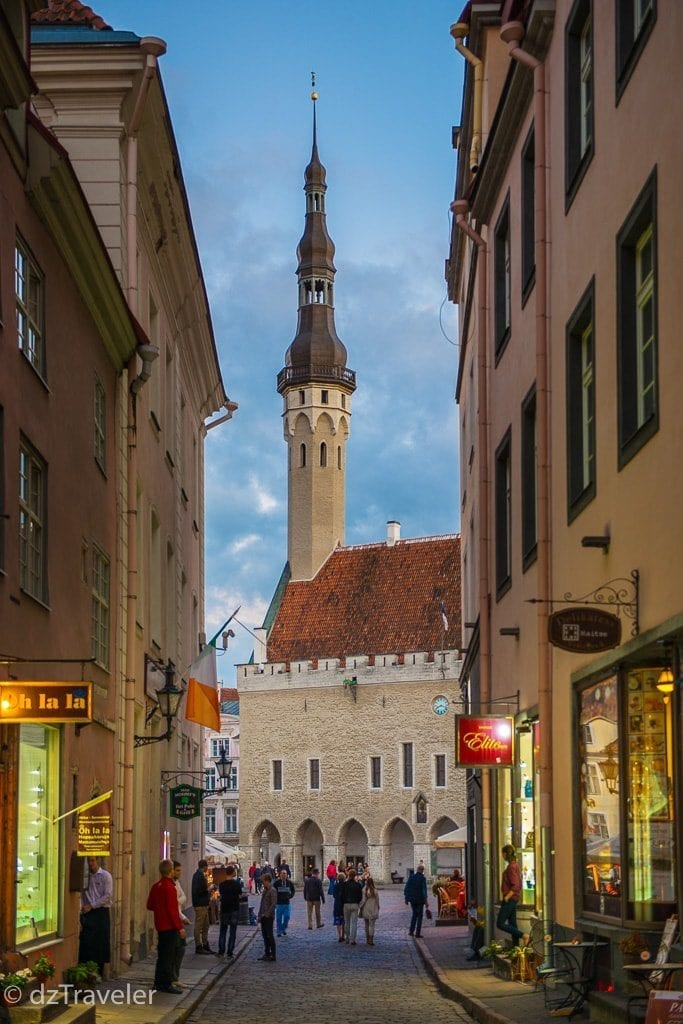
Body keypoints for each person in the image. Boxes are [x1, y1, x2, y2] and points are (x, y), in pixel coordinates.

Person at [146, 859, 186, 994]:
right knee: (168, 957)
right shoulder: (169, 888)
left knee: (162, 956)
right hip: (169, 927)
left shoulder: (156, 886)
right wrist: (180, 927)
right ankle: (166, 984)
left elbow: (150, 905)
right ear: (170, 871)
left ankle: (158, 982)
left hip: (160, 926)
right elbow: (172, 911)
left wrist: (159, 909)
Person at [78, 856, 113, 977]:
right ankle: (87, 970)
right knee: (87, 941)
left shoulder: (105, 876)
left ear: (97, 861)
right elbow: (81, 894)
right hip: (87, 912)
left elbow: (107, 896)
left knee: (101, 942)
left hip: (101, 912)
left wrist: (92, 905)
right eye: (88, 861)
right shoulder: (85, 877)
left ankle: (98, 971)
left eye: (92, 861)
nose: (90, 864)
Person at [497, 844, 525, 945]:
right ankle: (516, 949)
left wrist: (507, 897)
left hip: (510, 899)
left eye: (502, 853)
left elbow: (516, 884)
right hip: (513, 898)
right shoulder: (515, 865)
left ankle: (524, 935)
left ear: (505, 854)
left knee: (500, 923)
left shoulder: (511, 867)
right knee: (512, 924)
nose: (502, 856)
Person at [172, 860, 191, 986]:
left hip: (179, 918)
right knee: (176, 951)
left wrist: (178, 901)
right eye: (177, 870)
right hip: (174, 922)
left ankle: (174, 977)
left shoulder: (176, 883)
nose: (180, 873)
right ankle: (172, 978)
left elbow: (183, 898)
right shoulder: (169, 885)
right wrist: (182, 919)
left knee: (180, 950)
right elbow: (173, 906)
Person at [218, 864, 242, 958]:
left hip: (224, 909)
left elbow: (221, 895)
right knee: (232, 931)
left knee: (223, 931)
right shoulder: (237, 884)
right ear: (233, 873)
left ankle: (221, 951)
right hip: (234, 909)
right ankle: (230, 952)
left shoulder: (222, 885)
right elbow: (240, 896)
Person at [191, 858, 212, 954]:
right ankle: (198, 946)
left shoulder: (199, 875)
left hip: (203, 903)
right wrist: (208, 889)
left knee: (206, 925)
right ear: (204, 867)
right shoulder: (198, 876)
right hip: (200, 904)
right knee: (199, 925)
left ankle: (205, 944)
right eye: (207, 867)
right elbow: (199, 890)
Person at [404, 863, 429, 938]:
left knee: (414, 914)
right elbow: (424, 891)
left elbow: (406, 888)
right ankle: (417, 933)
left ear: (417, 870)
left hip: (412, 900)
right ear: (422, 871)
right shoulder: (422, 879)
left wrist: (406, 898)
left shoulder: (411, 877)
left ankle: (411, 931)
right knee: (420, 916)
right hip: (420, 900)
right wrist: (426, 901)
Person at [340, 867, 363, 945]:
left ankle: (347, 939)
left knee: (347, 922)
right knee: (354, 923)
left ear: (348, 875)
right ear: (355, 876)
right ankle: (352, 939)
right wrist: (358, 902)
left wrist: (343, 902)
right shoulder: (358, 885)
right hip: (355, 904)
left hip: (346, 904)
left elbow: (341, 895)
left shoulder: (344, 884)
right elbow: (360, 896)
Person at [257, 873, 277, 962]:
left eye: (263, 881)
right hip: (263, 916)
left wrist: (267, 914)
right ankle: (267, 953)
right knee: (265, 936)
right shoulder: (265, 890)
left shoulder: (272, 890)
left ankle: (273, 954)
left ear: (267, 881)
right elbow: (262, 904)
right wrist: (259, 915)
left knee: (270, 935)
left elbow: (273, 904)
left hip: (269, 916)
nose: (262, 883)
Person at [273, 868, 295, 937]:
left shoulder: (289, 883)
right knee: (279, 919)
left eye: (285, 873)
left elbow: (293, 890)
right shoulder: (276, 883)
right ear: (280, 875)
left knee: (287, 917)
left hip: (286, 903)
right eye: (282, 873)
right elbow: (273, 891)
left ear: (287, 875)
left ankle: (283, 928)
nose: (284, 875)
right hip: (279, 903)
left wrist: (290, 896)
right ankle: (279, 932)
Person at [359, 877, 380, 946]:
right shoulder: (375, 890)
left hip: (366, 908)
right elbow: (377, 900)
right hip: (373, 908)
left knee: (366, 925)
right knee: (372, 925)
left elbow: (363, 900)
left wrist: (360, 906)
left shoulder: (364, 890)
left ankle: (367, 939)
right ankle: (371, 939)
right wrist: (378, 907)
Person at [331, 871, 346, 942]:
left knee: (338, 921)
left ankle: (339, 936)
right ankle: (343, 935)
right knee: (344, 921)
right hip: (344, 904)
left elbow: (333, 895)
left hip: (337, 904)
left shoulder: (336, 886)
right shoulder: (346, 885)